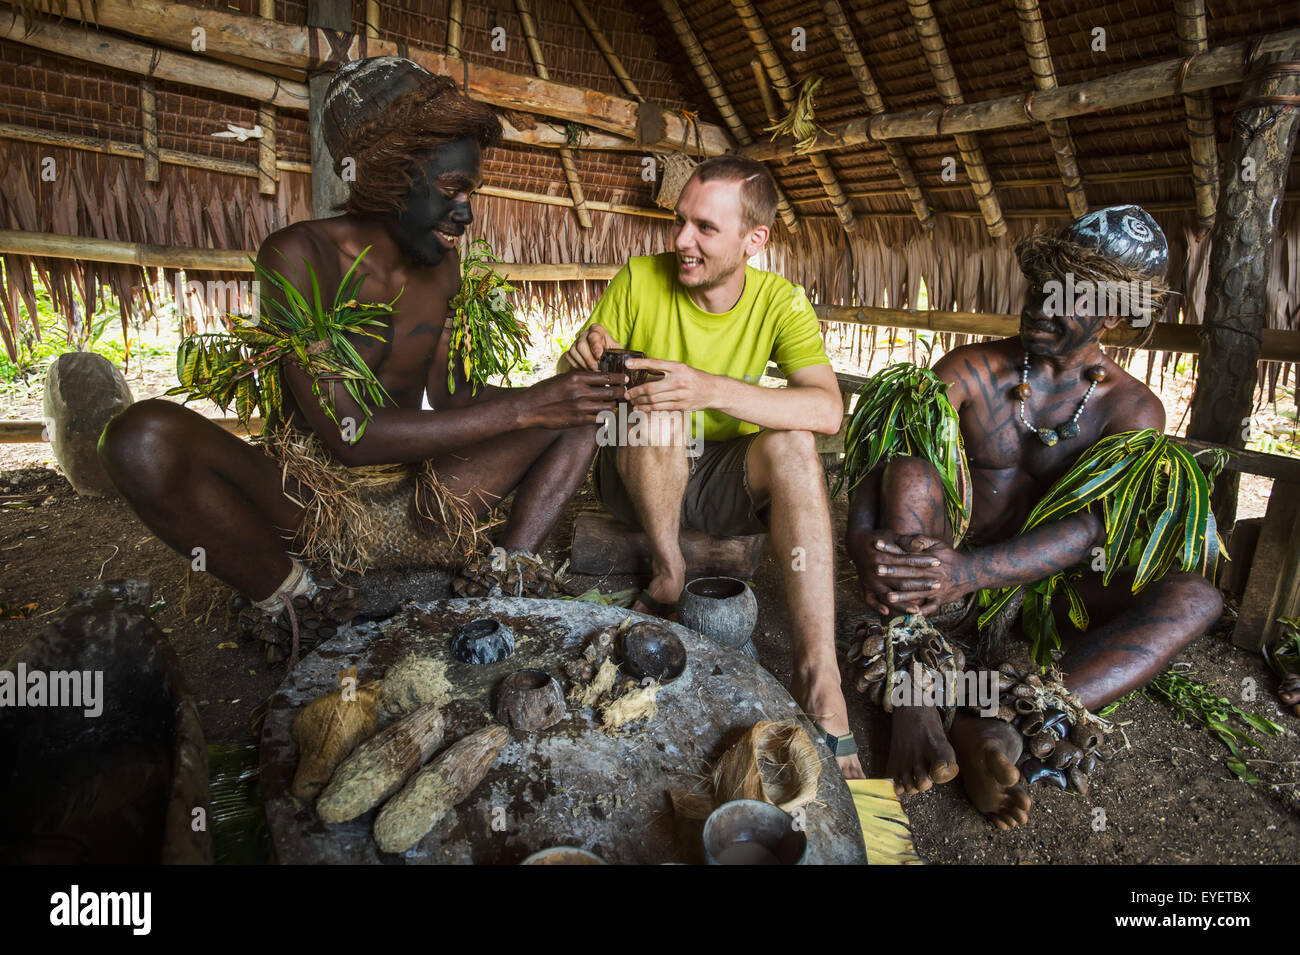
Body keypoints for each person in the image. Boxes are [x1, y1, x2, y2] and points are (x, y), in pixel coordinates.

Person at [100, 57, 622, 663]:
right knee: (139, 438)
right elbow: (347, 436)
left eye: (470, 191)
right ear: (391, 178)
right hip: (316, 509)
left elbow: (447, 400)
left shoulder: (445, 267)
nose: (467, 213)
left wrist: (559, 393)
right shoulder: (297, 256)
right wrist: (529, 408)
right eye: (452, 190)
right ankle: (297, 600)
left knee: (585, 402)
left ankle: (504, 577)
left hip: (431, 499)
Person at [845, 205, 1223, 827]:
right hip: (936, 573)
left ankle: (991, 722)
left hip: (1043, 592)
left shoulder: (1134, 411)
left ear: (1116, 315)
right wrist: (863, 539)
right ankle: (912, 694)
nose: (1044, 306)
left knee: (1197, 599)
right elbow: (891, 451)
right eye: (1041, 287)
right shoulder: (971, 369)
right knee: (913, 470)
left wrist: (971, 570)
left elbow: (1091, 530)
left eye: (1071, 298)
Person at [561, 155, 863, 777]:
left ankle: (820, 678)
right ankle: (669, 572)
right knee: (659, 411)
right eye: (680, 222)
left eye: (704, 228)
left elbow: (828, 409)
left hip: (723, 473)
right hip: (635, 470)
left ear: (755, 240)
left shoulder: (780, 301)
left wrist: (708, 387)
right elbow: (585, 372)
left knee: (796, 444)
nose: (681, 241)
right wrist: (582, 358)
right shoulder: (641, 279)